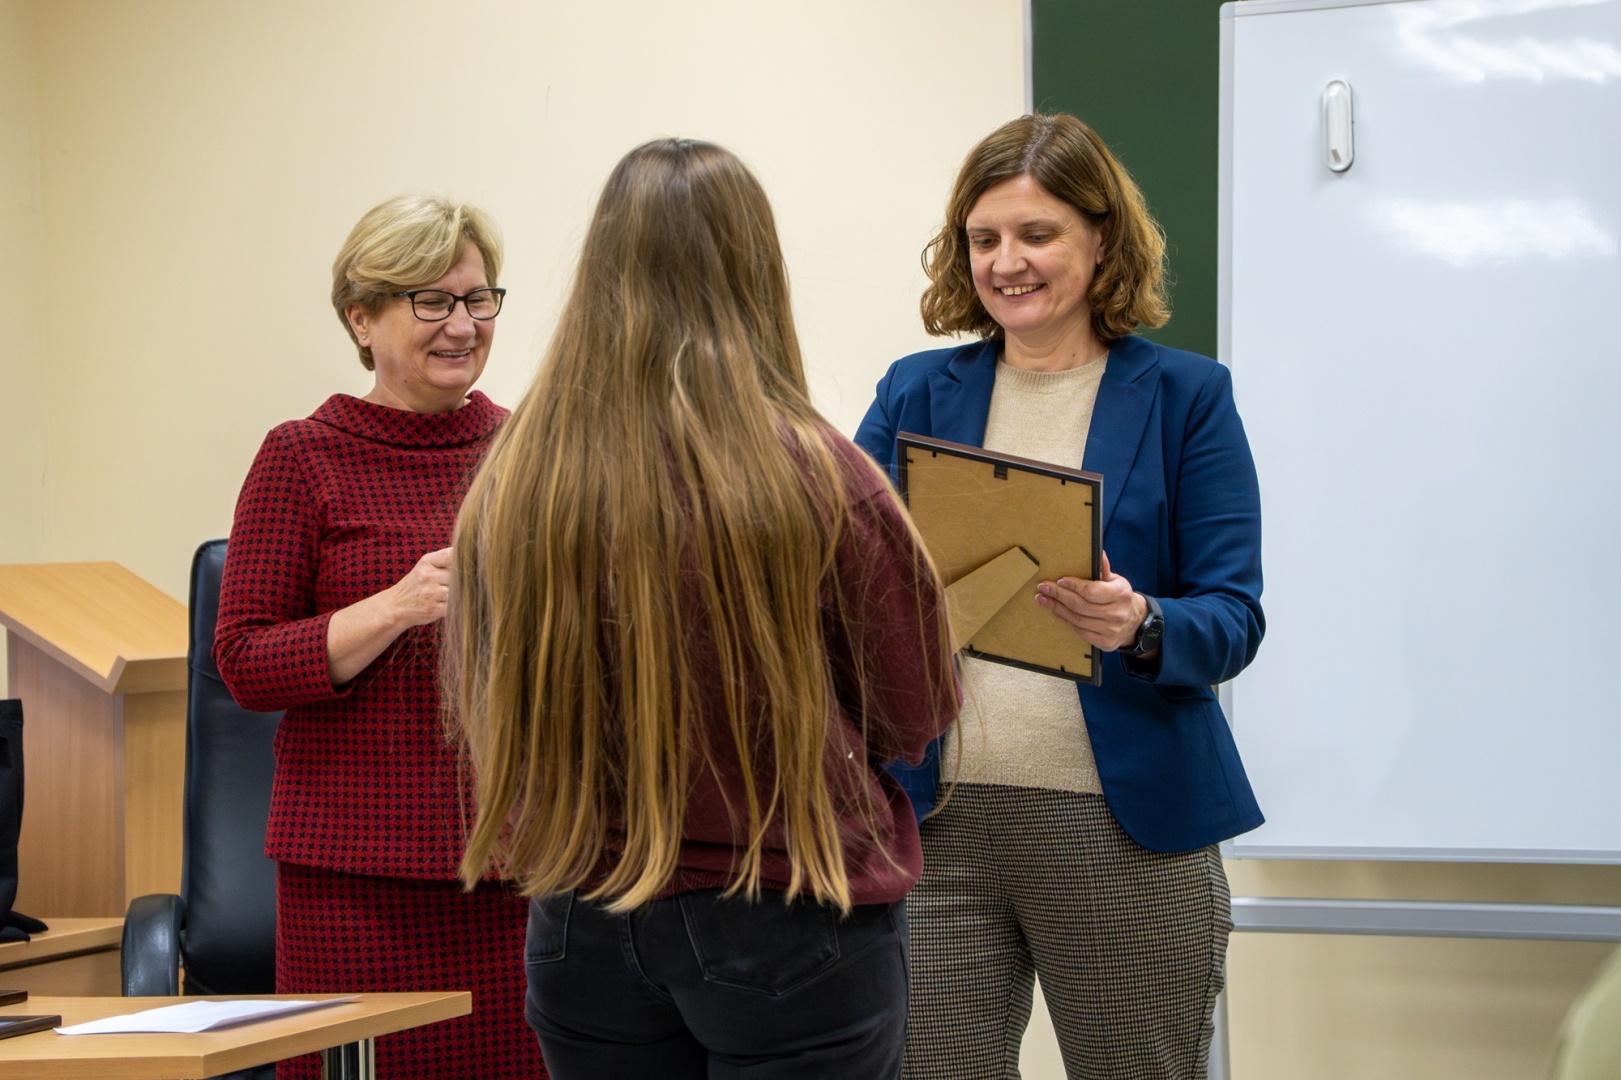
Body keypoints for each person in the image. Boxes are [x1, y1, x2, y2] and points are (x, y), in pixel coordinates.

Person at [446, 138, 960, 1080]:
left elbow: (490, 692)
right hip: (786, 912)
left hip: (580, 916)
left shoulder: (517, 479)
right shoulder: (818, 475)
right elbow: (913, 712)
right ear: (754, 271)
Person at [853, 113, 1265, 1080]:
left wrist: (1141, 622)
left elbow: (1232, 616)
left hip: (1123, 831)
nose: (1006, 263)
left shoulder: (1187, 397)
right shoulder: (913, 391)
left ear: (1101, 239)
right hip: (936, 822)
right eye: (983, 238)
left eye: (1036, 234)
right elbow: (843, 566)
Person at [214, 194, 546, 1080]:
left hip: (515, 870)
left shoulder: (530, 453)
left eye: (477, 300)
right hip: (352, 885)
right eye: (430, 301)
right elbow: (243, 662)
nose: (462, 325)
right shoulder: (301, 456)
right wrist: (394, 608)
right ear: (361, 319)